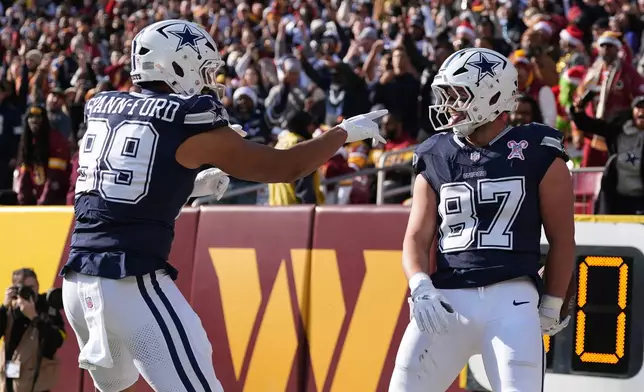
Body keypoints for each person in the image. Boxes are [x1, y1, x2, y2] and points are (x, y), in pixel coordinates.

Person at [60, 19, 386, 392]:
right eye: (204, 69)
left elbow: (117, 199)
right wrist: (344, 132)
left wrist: (185, 189)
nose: (209, 80)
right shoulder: (188, 120)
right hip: (132, 283)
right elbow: (285, 167)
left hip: (78, 282)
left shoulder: (103, 106)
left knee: (117, 385)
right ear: (177, 65)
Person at [388, 48, 576, 392]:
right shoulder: (434, 152)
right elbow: (416, 236)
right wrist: (419, 284)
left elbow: (563, 238)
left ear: (492, 95)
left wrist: (552, 300)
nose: (449, 104)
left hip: (511, 299)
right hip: (445, 298)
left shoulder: (538, 148)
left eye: (458, 94)